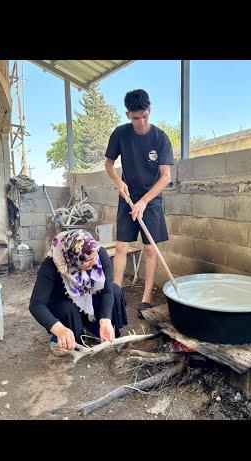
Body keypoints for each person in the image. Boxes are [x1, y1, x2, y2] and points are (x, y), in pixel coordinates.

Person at [104, 89, 173, 317]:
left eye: (144, 116)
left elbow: (165, 177)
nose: (141, 122)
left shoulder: (161, 138)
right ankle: (115, 294)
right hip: (127, 199)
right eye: (136, 118)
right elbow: (108, 164)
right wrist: (118, 183)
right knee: (122, 247)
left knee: (150, 249)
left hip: (150, 201)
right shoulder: (120, 134)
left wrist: (144, 201)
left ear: (149, 112)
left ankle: (145, 299)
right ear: (128, 116)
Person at [29, 230, 128, 356]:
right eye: (87, 260)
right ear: (72, 257)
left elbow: (107, 291)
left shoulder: (98, 253)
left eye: (94, 257)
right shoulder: (51, 266)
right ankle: (64, 336)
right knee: (67, 308)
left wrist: (105, 319)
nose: (93, 262)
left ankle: (102, 329)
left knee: (115, 290)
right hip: (64, 301)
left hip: (89, 296)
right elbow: (36, 304)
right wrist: (59, 329)